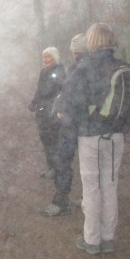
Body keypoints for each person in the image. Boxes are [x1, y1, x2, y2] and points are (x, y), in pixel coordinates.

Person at [59, 23, 130, 255]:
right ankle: (108, 238)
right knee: (110, 185)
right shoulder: (126, 67)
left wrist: (71, 127)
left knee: (91, 187)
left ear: (92, 42)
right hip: (116, 137)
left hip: (90, 136)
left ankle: (92, 240)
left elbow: (70, 103)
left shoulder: (84, 68)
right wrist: (124, 127)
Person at [40, 34, 89, 217]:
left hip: (72, 125)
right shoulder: (95, 68)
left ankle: (61, 202)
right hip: (91, 126)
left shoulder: (79, 69)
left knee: (62, 161)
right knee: (91, 166)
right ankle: (87, 199)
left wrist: (61, 113)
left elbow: (70, 95)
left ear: (74, 52)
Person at [29, 46, 65, 180]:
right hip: (42, 112)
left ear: (55, 58)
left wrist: (58, 109)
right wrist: (33, 103)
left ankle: (57, 169)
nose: (46, 59)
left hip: (53, 112)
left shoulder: (59, 71)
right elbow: (39, 91)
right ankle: (50, 167)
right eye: (44, 57)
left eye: (49, 57)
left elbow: (59, 91)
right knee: (45, 140)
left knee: (53, 141)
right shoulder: (43, 72)